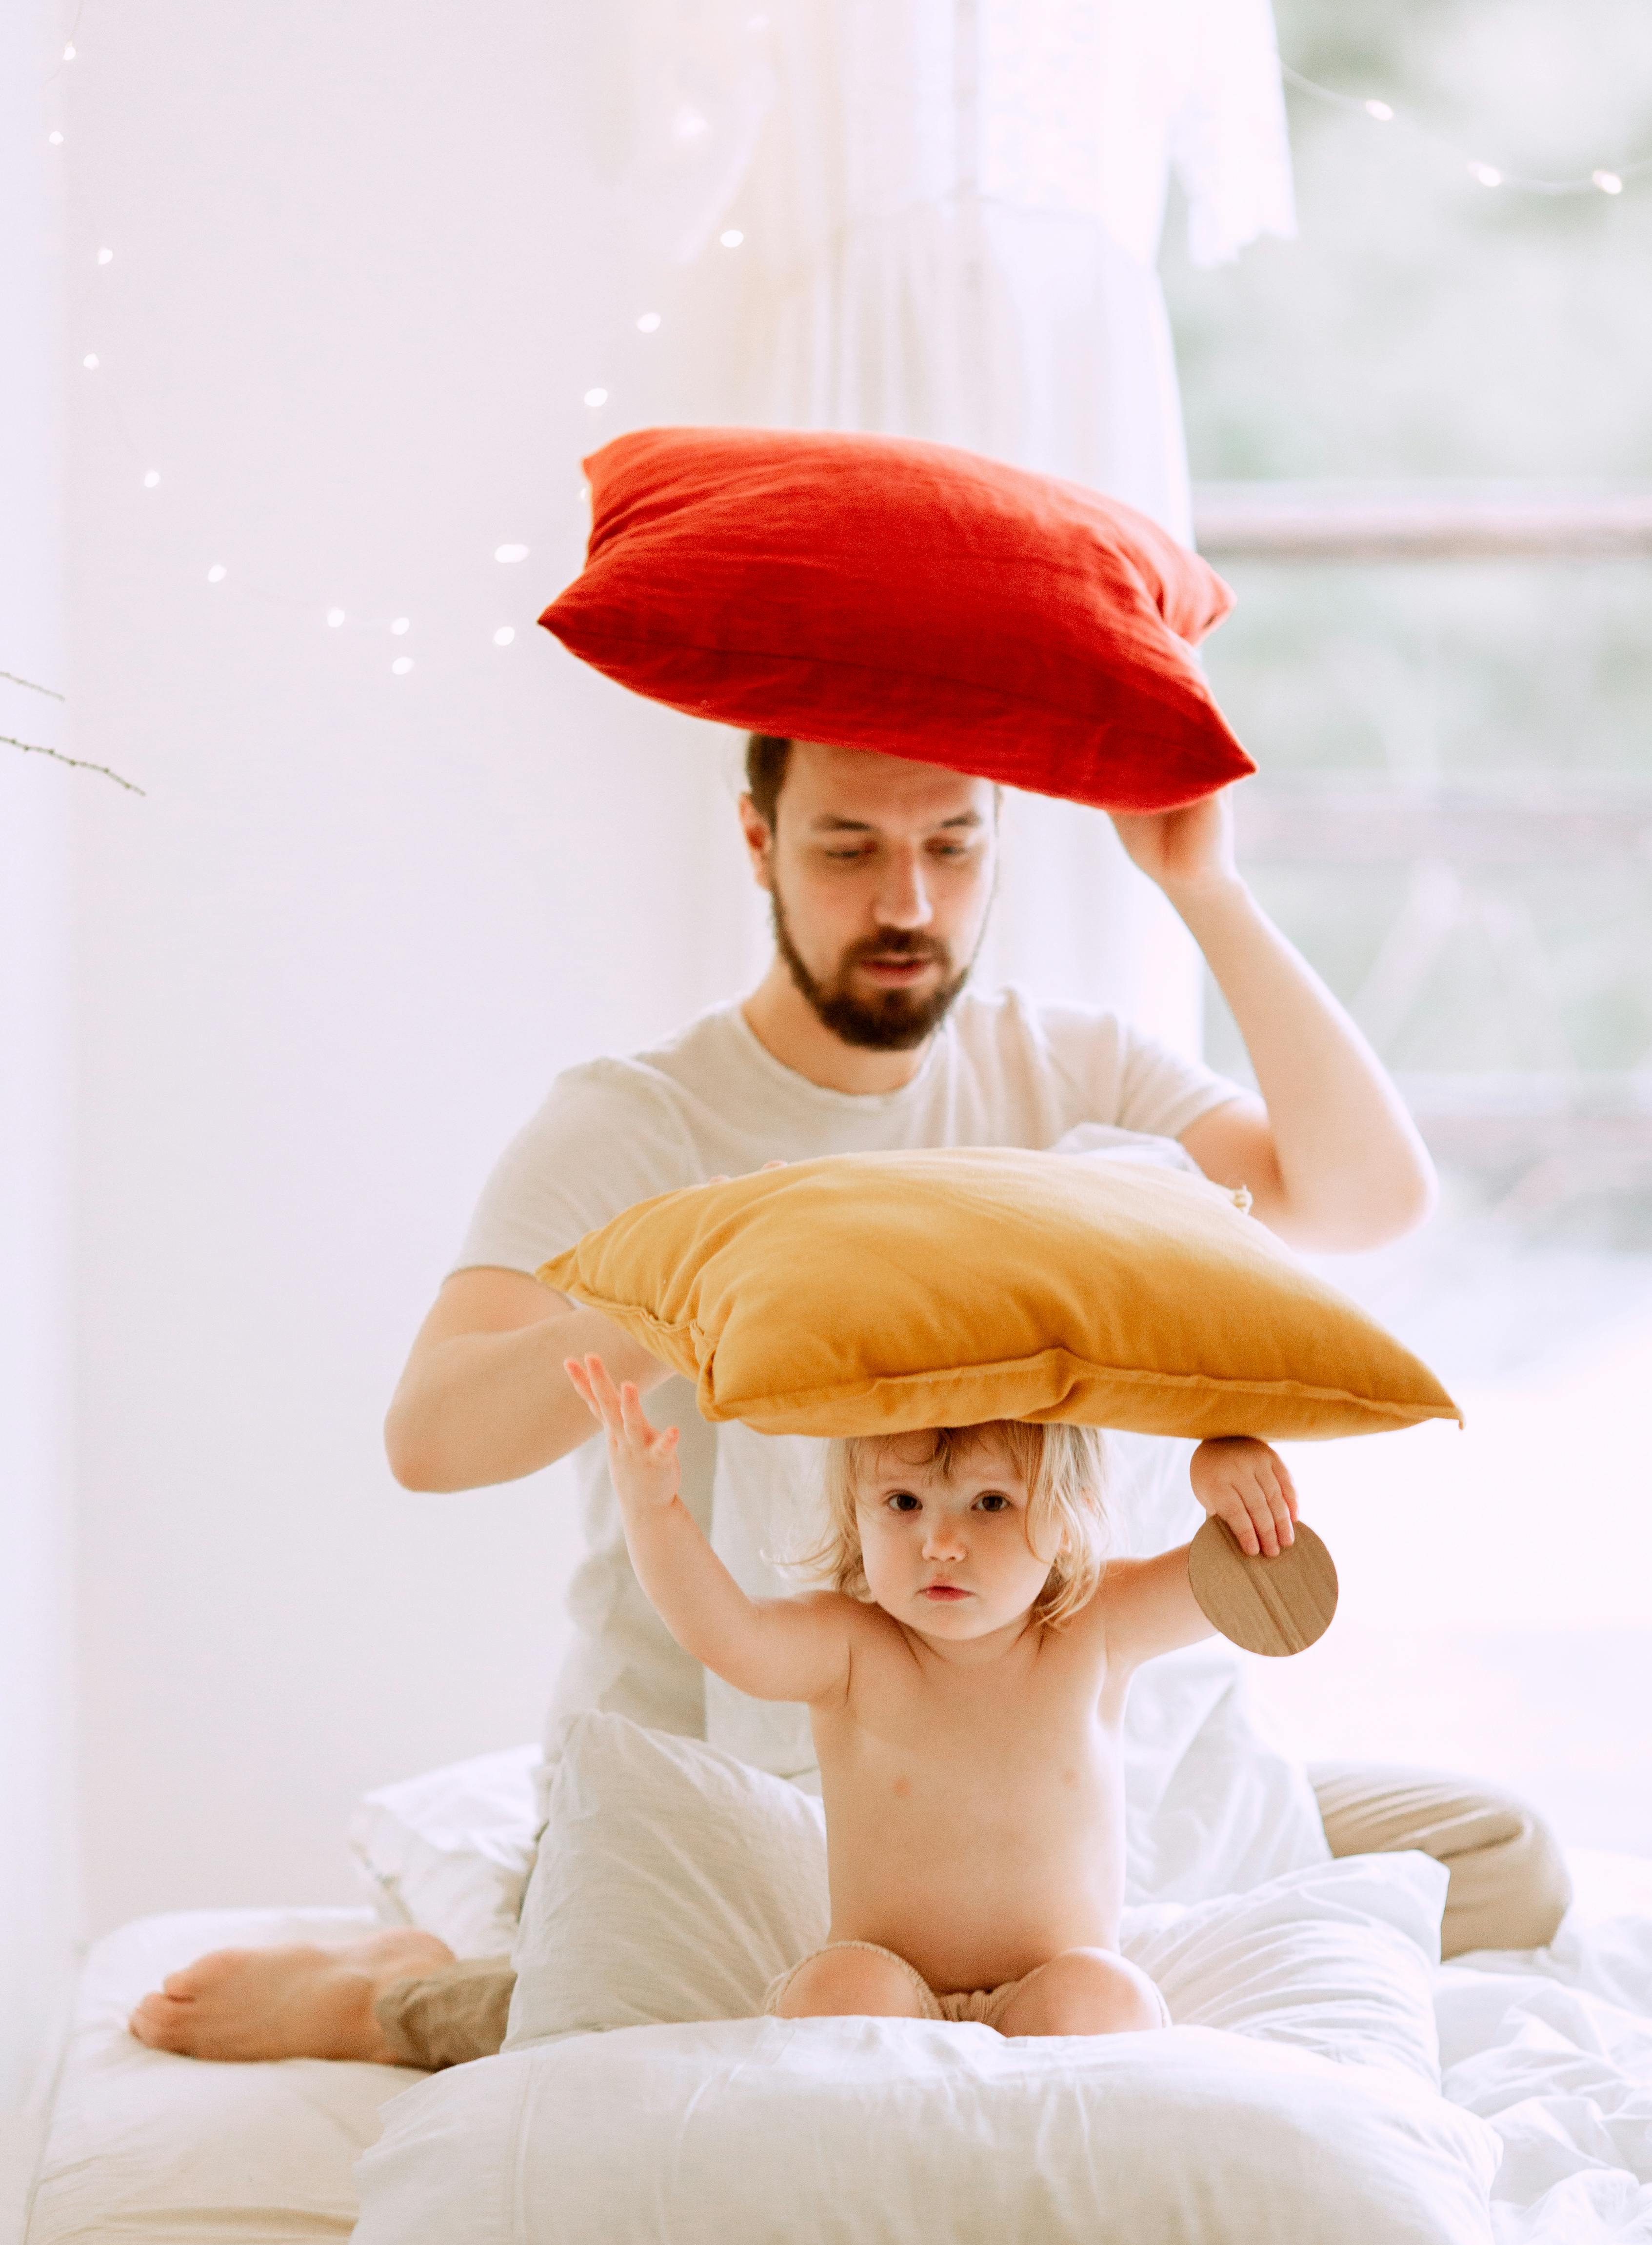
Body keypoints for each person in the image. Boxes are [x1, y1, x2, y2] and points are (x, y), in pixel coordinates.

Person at [130, 738, 1571, 2068]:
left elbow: (1363, 1201)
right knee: (695, 1997)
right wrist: (711, 1282)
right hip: (761, 1764)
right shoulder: (636, 1122)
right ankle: (392, 1996)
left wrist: (1202, 887)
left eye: (953, 846)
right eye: (845, 849)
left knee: (1502, 1856)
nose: (906, 899)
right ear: (756, 843)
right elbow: (430, 1440)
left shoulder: (1065, 1065)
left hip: (1064, 1745)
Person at [569, 1349, 1303, 2036]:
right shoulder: (852, 1647)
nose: (941, 1543)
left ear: (1070, 1513)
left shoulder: (1096, 1626)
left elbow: (1250, 1573)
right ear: (855, 1512)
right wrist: (653, 1513)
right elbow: (727, 1634)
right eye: (903, 1502)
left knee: (1107, 1997)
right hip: (889, 1980)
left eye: (989, 1504)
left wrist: (1225, 1470)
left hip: (1048, 1984)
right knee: (838, 1992)